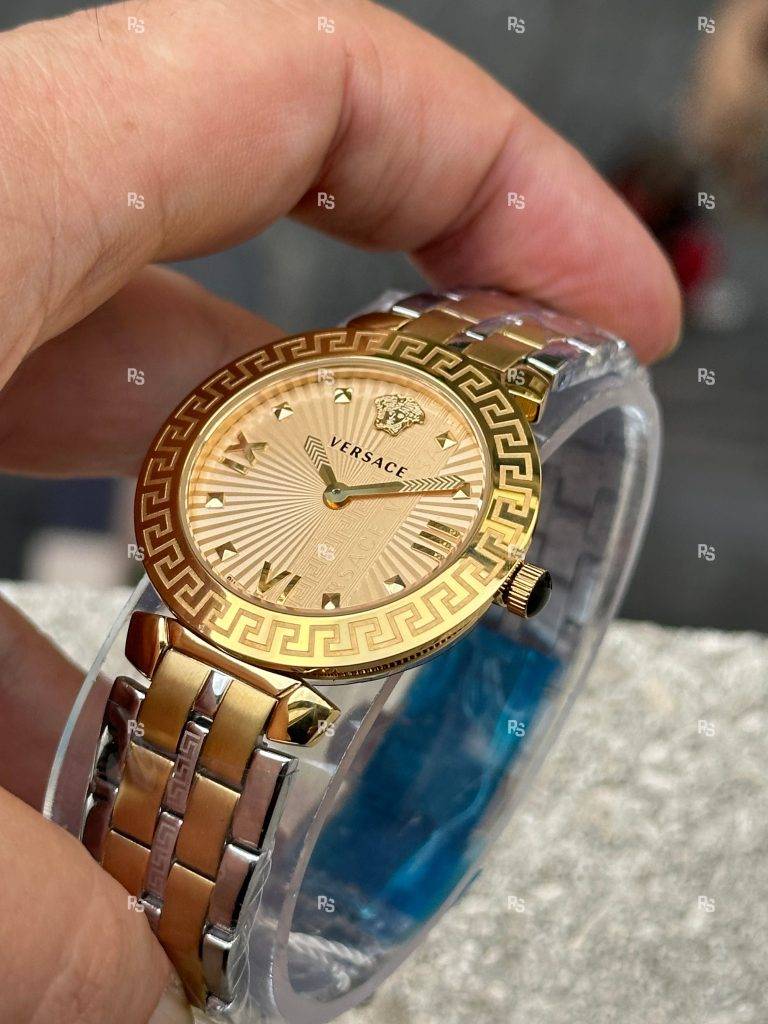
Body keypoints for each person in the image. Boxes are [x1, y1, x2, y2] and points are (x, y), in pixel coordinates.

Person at [0, 2, 681, 1021]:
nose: (342, 492)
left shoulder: (511, 577)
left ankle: (241, 925)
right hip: (239, 585)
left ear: (507, 580)